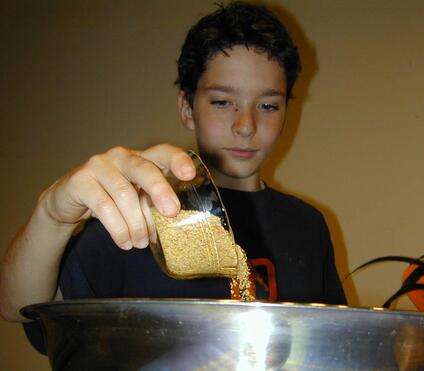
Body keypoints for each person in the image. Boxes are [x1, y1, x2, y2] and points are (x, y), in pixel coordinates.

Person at [0, 1, 346, 354]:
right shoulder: (136, 215)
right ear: (187, 107)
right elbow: (17, 309)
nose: (246, 125)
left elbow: (337, 344)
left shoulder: (308, 225)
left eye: (269, 105)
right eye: (222, 102)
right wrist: (51, 216)